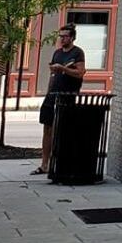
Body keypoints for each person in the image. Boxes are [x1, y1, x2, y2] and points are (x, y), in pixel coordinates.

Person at [35, 24, 85, 174]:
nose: (62, 39)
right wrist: (49, 91)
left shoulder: (77, 53)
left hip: (67, 95)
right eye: (61, 36)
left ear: (72, 37)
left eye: (65, 36)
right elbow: (53, 74)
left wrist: (63, 69)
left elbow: (80, 73)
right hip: (53, 94)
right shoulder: (57, 53)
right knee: (47, 128)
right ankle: (45, 164)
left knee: (63, 130)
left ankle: (61, 163)